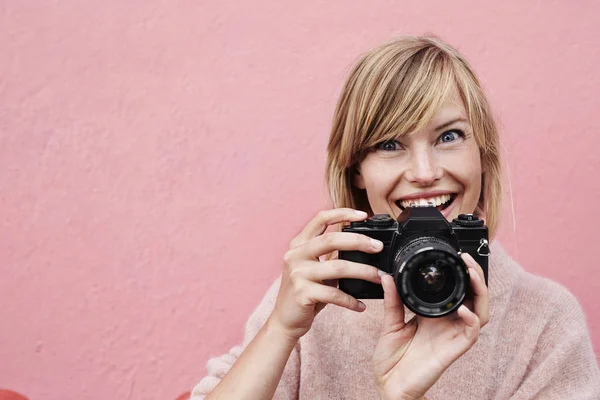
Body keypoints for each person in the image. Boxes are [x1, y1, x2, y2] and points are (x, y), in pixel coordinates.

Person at [191, 36, 600, 399]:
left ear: (483, 155)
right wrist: (279, 331)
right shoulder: (317, 302)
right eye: (390, 143)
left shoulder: (546, 321)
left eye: (449, 136)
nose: (423, 172)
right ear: (357, 170)